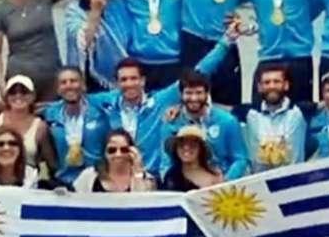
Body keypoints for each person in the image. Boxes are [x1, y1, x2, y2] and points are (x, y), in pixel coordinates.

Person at [91, 29, 236, 180]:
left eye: (134, 78)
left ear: (143, 81)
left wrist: (226, 42)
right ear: (117, 83)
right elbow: (78, 94)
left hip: (151, 179)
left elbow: (199, 72)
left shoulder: (161, 101)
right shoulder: (106, 102)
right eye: (124, 80)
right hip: (116, 178)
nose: (129, 84)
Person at [161, 125, 226, 237]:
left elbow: (221, 212)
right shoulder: (171, 176)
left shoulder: (215, 176)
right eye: (182, 144)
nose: (186, 148)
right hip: (176, 232)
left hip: (204, 233)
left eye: (192, 144)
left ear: (201, 149)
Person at [161, 70, 250, 180]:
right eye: (188, 93)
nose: (194, 98)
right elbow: (166, 163)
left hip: (222, 181)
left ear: (207, 94)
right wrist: (172, 183)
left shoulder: (227, 121)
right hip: (185, 184)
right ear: (181, 95)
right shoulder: (171, 122)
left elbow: (240, 159)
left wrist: (225, 182)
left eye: (199, 93)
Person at [63, 0, 131, 94]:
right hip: (90, 76)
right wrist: (95, 12)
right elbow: (82, 43)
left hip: (124, 72)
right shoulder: (75, 9)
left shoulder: (119, 4)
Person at [234, 62, 311, 174]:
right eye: (267, 82)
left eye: (276, 81)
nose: (272, 86)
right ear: (259, 87)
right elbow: (218, 110)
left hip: (294, 180)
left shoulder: (301, 111)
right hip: (259, 181)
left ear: (286, 85)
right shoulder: (247, 113)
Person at [43, 66, 111, 186]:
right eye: (63, 82)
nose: (69, 86)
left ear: (83, 85)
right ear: (58, 89)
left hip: (95, 180)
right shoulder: (50, 113)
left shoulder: (100, 110)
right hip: (64, 180)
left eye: (73, 81)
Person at [0, 74, 56, 175]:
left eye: (24, 92)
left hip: (27, 178)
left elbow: (50, 161)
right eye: (13, 92)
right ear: (6, 97)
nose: (18, 96)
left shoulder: (40, 126)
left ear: (33, 96)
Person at [72, 129, 156, 192]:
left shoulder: (147, 179)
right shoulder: (88, 176)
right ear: (104, 153)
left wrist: (138, 173)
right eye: (112, 150)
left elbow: (143, 204)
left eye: (124, 150)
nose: (118, 154)